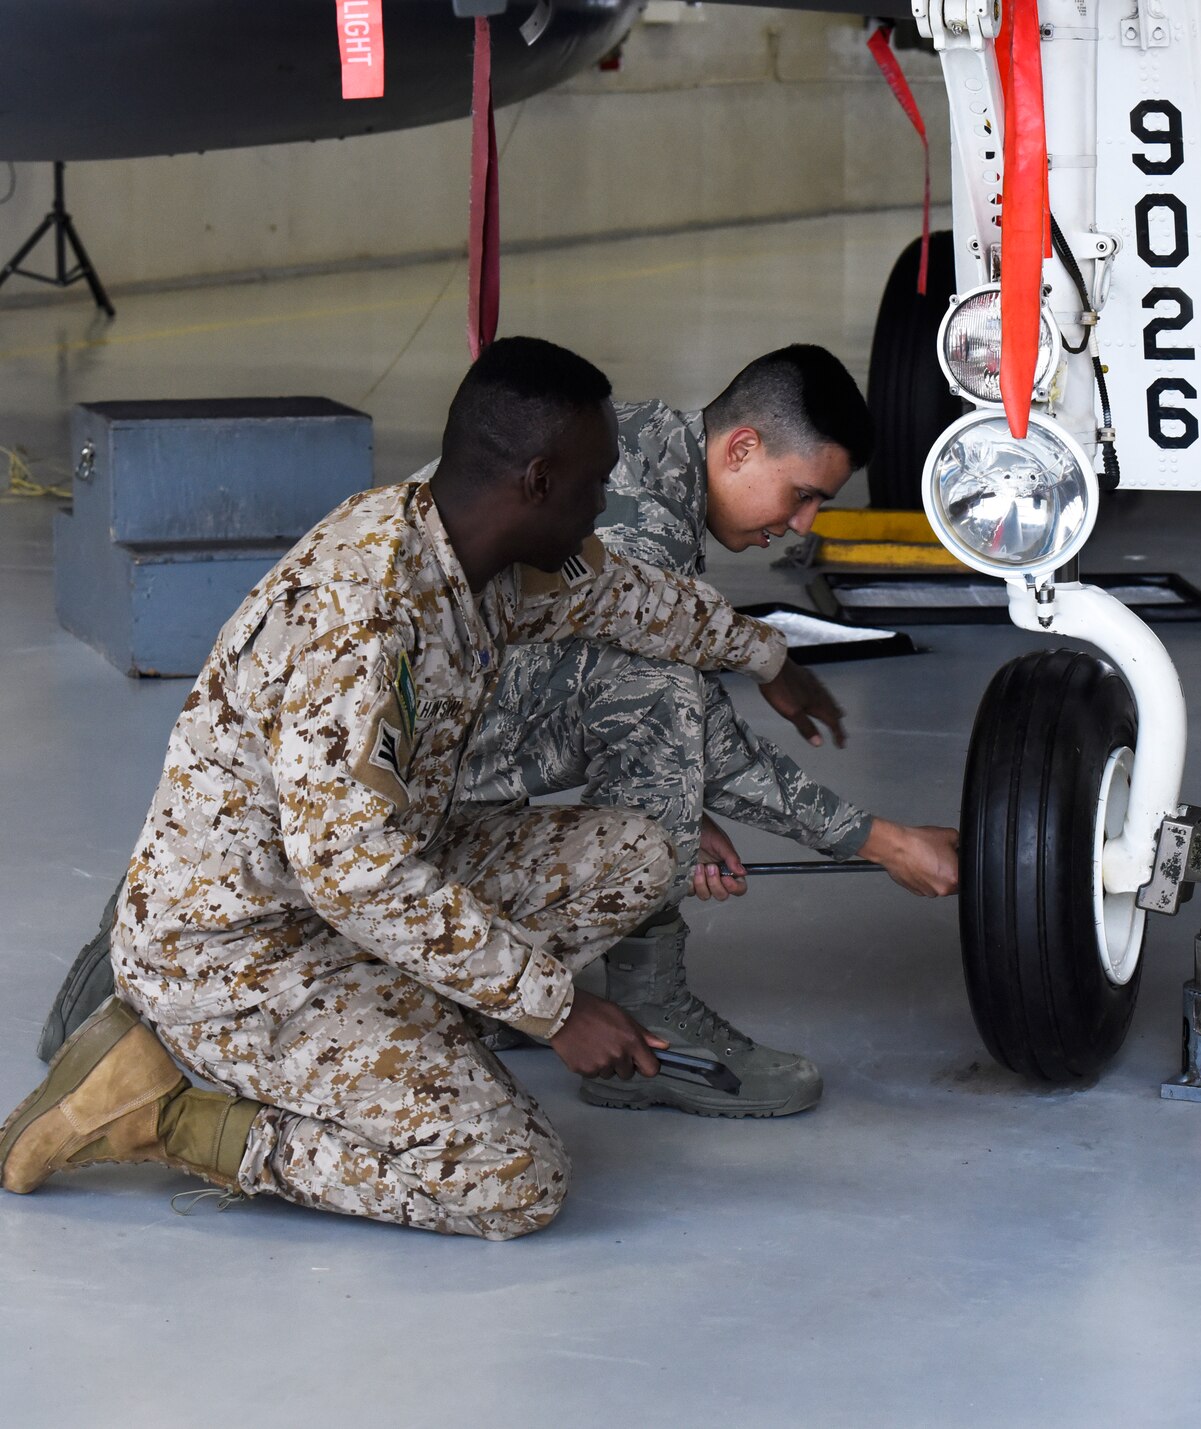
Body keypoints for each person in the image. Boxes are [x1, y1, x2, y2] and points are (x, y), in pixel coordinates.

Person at [1, 338, 808, 1239]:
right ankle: (169, 1109)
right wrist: (557, 1006)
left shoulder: (474, 551)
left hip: (343, 907)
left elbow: (622, 598)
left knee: (639, 856)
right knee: (513, 1182)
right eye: (595, 483)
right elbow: (356, 876)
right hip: (239, 958)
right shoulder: (366, 613)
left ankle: (397, 1035)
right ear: (539, 480)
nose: (603, 506)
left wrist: (764, 653)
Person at [455, 344, 958, 1116]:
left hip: (451, 760)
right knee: (663, 691)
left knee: (658, 703)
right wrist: (880, 840)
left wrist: (690, 798)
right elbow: (667, 706)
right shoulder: (640, 513)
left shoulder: (643, 442)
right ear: (743, 447)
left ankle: (497, 977)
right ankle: (649, 1022)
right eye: (800, 495)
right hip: (402, 812)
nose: (801, 525)